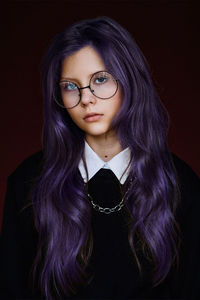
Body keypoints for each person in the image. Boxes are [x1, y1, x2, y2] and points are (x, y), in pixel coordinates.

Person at [0, 16, 200, 300]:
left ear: (129, 80)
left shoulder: (181, 185)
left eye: (100, 80)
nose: (86, 99)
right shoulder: (27, 184)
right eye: (70, 86)